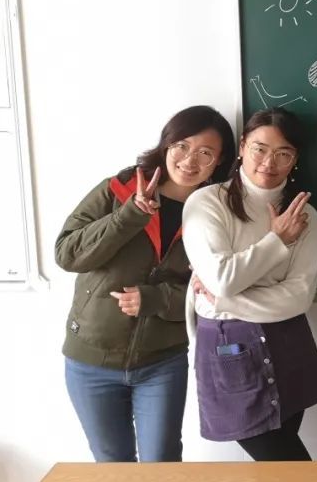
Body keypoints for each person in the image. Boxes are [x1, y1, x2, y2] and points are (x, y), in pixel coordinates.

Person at [56, 105, 235, 462]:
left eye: (205, 153)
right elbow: (68, 254)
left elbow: (219, 289)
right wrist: (130, 215)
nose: (189, 160)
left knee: (162, 463)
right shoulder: (119, 189)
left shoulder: (218, 211)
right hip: (90, 360)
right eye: (182, 146)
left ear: (219, 162)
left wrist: (157, 299)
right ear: (167, 144)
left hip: (161, 361)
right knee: (113, 463)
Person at [183, 107, 317, 461]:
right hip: (229, 346)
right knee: (291, 468)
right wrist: (277, 240)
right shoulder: (207, 203)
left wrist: (226, 301)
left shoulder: (304, 216)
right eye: (259, 149)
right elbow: (223, 278)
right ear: (242, 146)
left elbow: (299, 296)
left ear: (295, 159)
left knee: (278, 473)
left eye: (283, 153)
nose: (269, 162)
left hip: (289, 341)